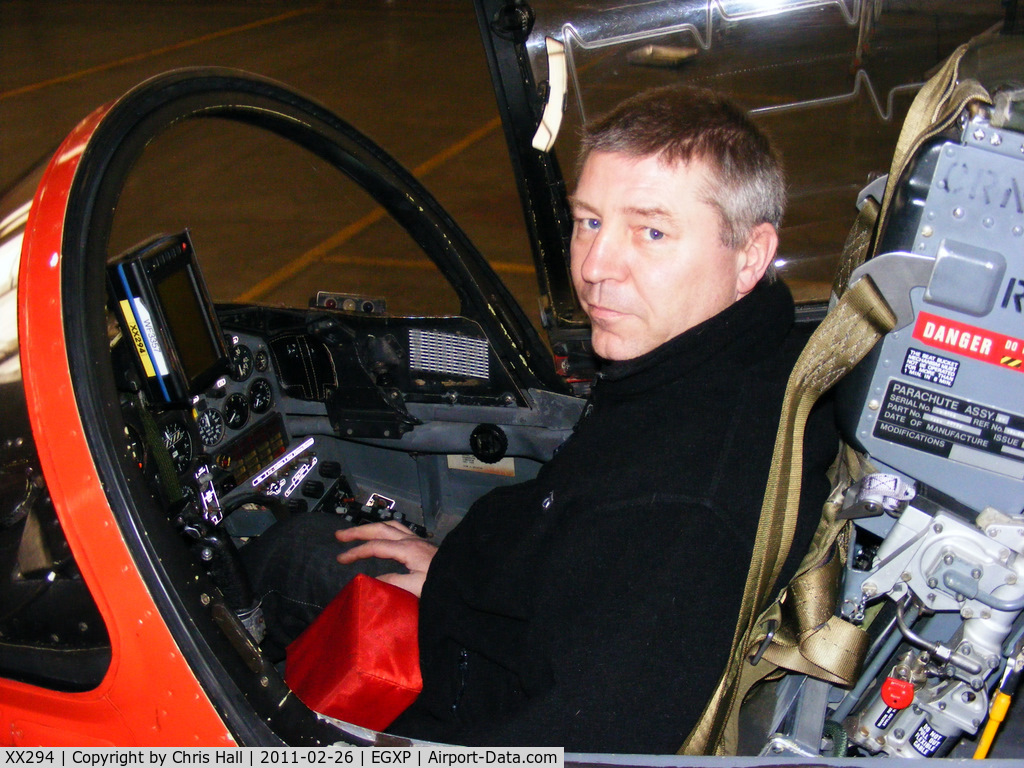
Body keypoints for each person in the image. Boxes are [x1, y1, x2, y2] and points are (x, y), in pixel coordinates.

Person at [244, 85, 837, 753]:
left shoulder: (681, 516)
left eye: (652, 231)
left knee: (273, 571)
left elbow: (578, 746)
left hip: (463, 702)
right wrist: (452, 570)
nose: (595, 268)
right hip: (487, 608)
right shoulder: (732, 361)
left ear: (751, 256)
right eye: (589, 221)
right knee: (303, 551)